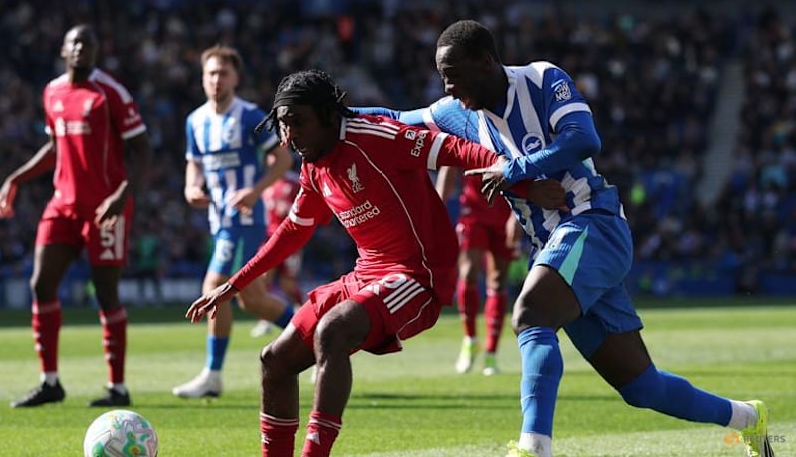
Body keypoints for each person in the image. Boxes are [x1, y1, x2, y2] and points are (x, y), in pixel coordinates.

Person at [360, 20, 774, 457]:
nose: (447, 86)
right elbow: (396, 121)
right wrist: (341, 117)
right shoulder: (456, 114)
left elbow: (584, 140)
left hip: (593, 223)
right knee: (641, 386)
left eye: (454, 75)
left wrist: (515, 170)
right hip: (557, 246)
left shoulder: (541, 79)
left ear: (486, 63)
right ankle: (749, 417)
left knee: (531, 312)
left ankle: (533, 448)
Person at [185, 69, 565, 457]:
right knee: (275, 360)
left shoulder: (377, 137)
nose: (288, 138)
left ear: (329, 116)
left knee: (332, 331)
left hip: (419, 277)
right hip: (365, 273)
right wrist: (232, 286)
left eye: (297, 123)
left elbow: (458, 149)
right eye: (283, 126)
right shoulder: (314, 166)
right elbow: (292, 232)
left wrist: (523, 182)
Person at [0, 24, 151, 408]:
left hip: (105, 209)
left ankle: (118, 388)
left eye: (88, 43)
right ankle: (50, 382)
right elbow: (54, 145)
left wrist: (122, 194)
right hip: (63, 204)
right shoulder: (52, 91)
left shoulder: (110, 93)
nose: (81, 48)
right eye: (74, 43)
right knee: (40, 284)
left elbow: (143, 151)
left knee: (106, 292)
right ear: (63, 50)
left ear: (96, 51)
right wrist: (16, 178)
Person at [172, 45, 295, 399]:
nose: (216, 79)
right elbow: (193, 162)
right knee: (251, 300)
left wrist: (255, 192)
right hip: (219, 219)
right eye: (210, 73)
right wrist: (190, 186)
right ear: (202, 78)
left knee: (215, 285)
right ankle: (314, 335)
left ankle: (212, 374)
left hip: (245, 220)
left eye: (223, 73)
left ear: (235, 78)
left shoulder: (249, 116)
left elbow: (282, 159)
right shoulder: (195, 121)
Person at [435, 167, 516, 375]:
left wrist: (517, 216)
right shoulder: (470, 133)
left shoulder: (509, 135)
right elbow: (449, 166)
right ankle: (470, 339)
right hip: (473, 211)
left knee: (498, 280)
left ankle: (491, 352)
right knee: (469, 271)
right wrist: (436, 207)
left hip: (505, 212)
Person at [250, 169, 304, 338]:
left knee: (288, 283)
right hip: (268, 240)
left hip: (289, 239)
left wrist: (289, 210)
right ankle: (265, 320)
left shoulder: (295, 182)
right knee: (263, 278)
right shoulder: (264, 183)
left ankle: (302, 312)